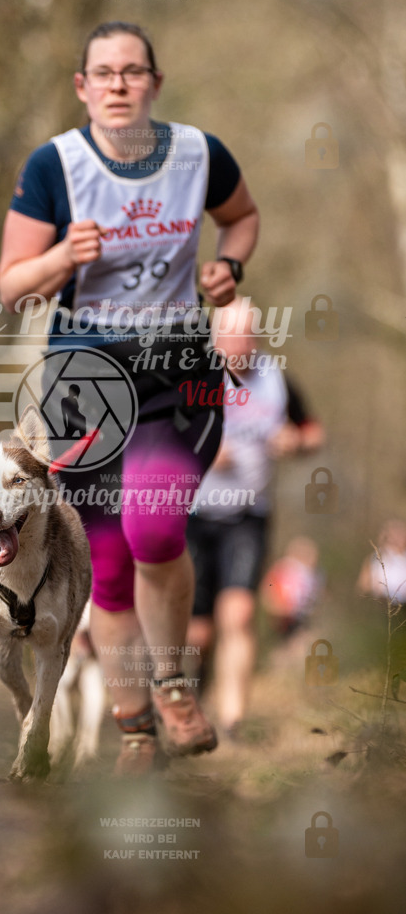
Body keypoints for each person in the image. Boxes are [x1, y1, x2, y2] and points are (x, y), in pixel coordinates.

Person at [0, 21, 259, 772]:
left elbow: (240, 219)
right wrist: (58, 256)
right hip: (84, 383)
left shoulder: (198, 154)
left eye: (132, 71)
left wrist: (227, 270)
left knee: (152, 526)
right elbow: (12, 285)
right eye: (102, 73)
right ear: (81, 87)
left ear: (154, 82)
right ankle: (134, 728)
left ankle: (174, 682)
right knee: (106, 565)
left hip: (179, 373)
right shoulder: (55, 165)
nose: (117, 84)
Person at [186, 297, 324, 736]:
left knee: (240, 614)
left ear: (257, 337)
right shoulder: (194, 375)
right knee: (198, 632)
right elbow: (163, 437)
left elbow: (312, 431)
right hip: (193, 514)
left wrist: (295, 443)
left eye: (245, 337)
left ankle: (232, 721)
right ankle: (191, 698)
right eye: (228, 337)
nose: (237, 345)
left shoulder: (276, 380)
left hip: (249, 513)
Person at [357, 519, 406, 604]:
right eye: (394, 535)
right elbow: (362, 587)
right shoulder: (376, 557)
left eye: (401, 535)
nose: (398, 538)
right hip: (381, 604)